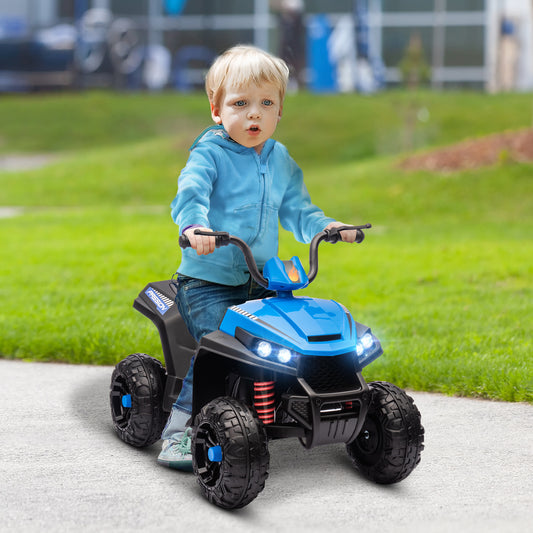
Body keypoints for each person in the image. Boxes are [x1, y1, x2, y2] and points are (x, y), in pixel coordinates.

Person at [158, 45, 358, 471]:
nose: (254, 115)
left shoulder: (280, 158)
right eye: (240, 103)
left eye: (266, 103)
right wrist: (194, 229)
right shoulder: (208, 154)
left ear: (280, 110)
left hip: (261, 282)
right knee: (218, 347)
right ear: (216, 110)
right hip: (207, 283)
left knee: (290, 341)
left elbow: (299, 210)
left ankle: (290, 406)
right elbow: (189, 195)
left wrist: (326, 228)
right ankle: (178, 431)